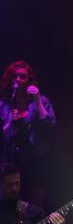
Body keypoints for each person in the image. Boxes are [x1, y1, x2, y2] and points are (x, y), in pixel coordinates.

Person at [0, 61, 56, 202]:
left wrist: (37, 99)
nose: (18, 80)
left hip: (35, 162)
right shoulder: (4, 105)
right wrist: (9, 122)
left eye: (23, 77)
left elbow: (49, 127)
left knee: (35, 205)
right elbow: (4, 135)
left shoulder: (41, 101)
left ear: (29, 80)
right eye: (15, 76)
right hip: (11, 163)